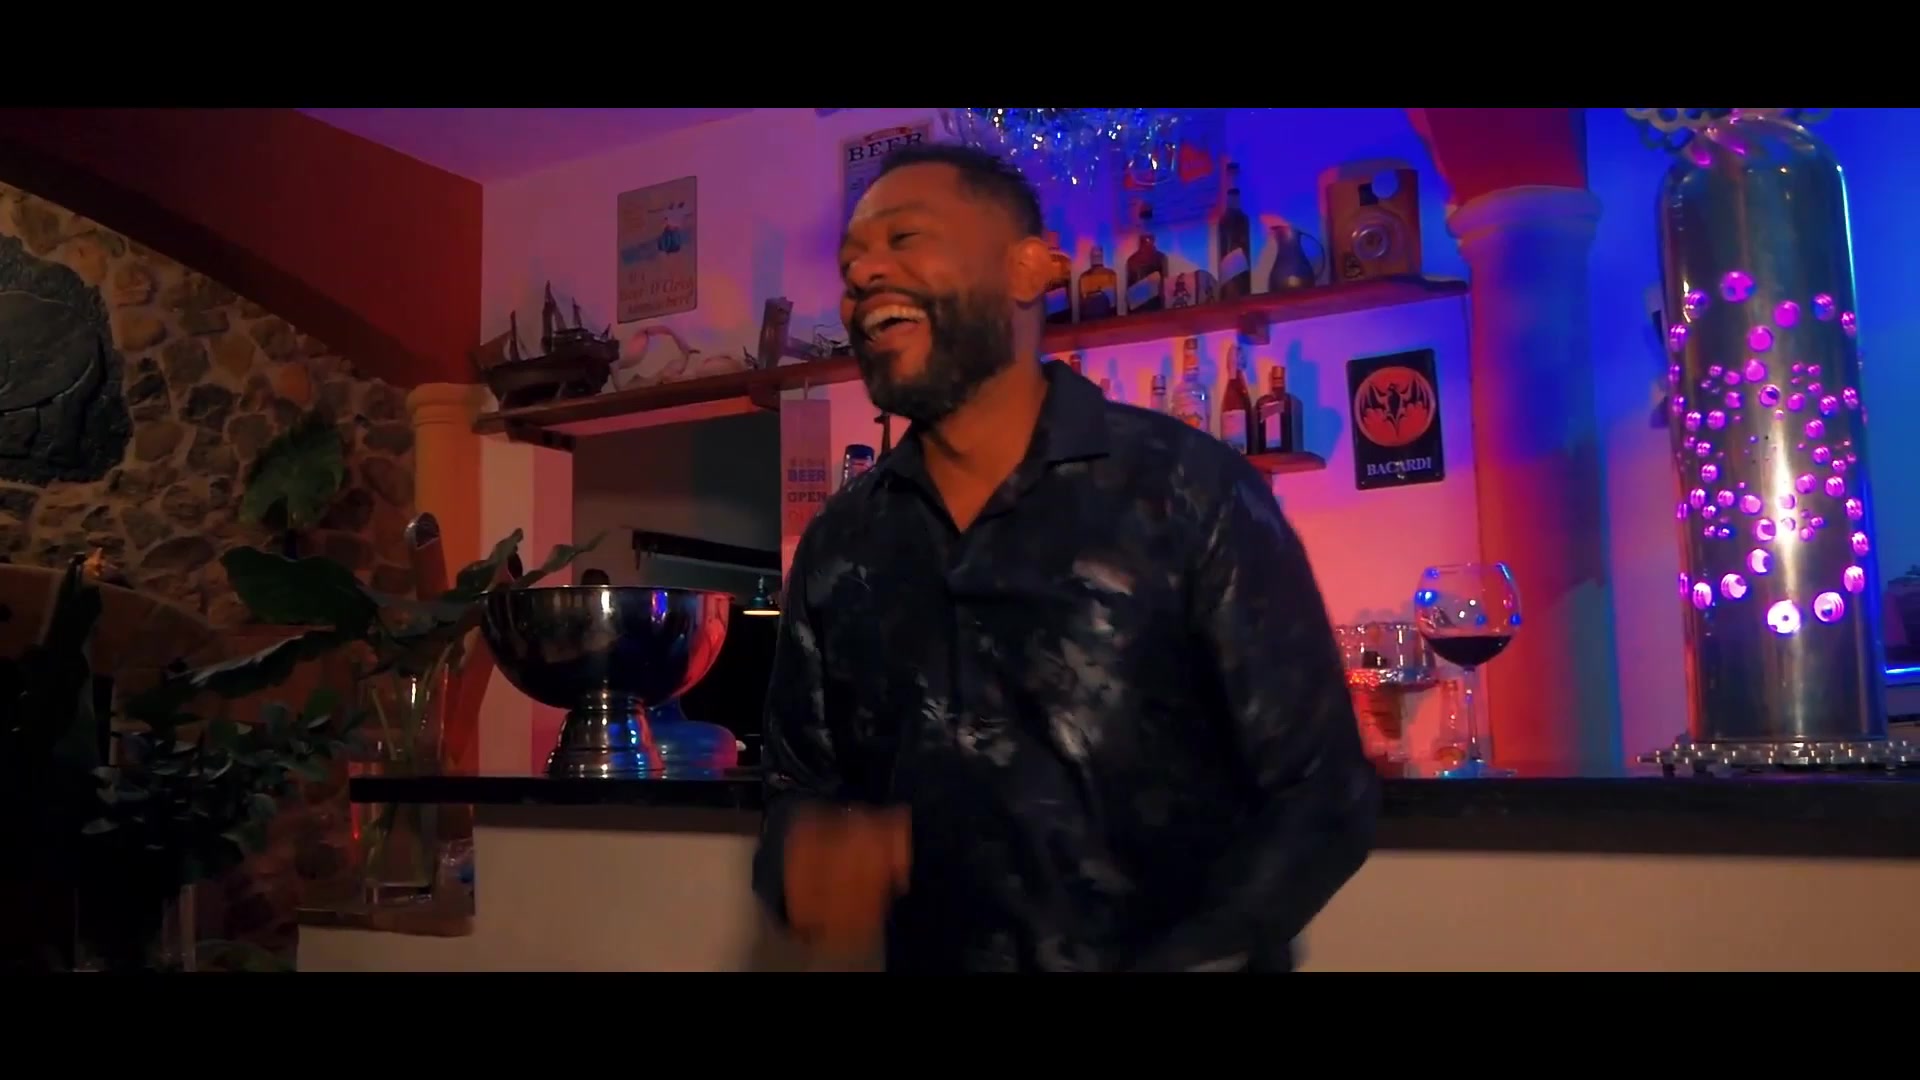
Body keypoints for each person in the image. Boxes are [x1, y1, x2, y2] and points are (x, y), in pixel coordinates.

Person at [752, 142, 1378, 972]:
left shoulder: (1187, 491)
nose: (863, 273)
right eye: (850, 263)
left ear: (1028, 270)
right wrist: (802, 858)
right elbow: (796, 791)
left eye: (904, 238)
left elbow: (1323, 792)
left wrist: (1201, 955)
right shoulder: (842, 543)